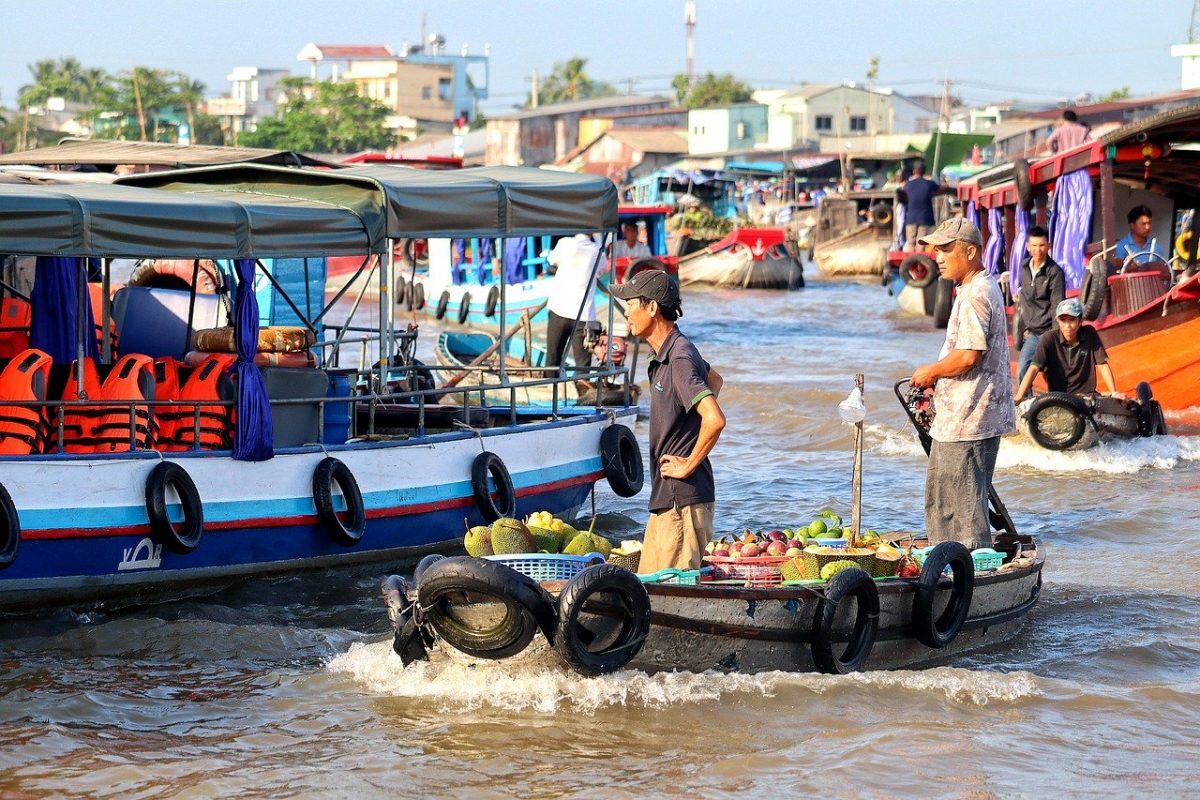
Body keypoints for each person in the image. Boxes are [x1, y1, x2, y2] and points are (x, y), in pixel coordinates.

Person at [610, 267, 725, 573]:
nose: (626, 312)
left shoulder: (679, 357)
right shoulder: (672, 351)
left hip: (682, 502)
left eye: (631, 304)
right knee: (648, 591)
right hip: (668, 501)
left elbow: (714, 419)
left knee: (670, 600)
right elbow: (715, 379)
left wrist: (688, 462)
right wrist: (686, 421)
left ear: (651, 308)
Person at [911, 217, 1016, 550]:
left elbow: (968, 355)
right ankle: (947, 567)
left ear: (970, 252)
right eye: (935, 249)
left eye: (946, 249)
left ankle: (969, 579)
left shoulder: (975, 295)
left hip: (970, 418)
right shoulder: (978, 288)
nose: (937, 257)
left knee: (964, 507)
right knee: (944, 500)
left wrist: (932, 372)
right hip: (961, 417)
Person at [1014, 298, 1119, 403]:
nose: (1067, 326)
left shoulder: (1089, 333)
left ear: (1080, 321)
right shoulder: (1049, 338)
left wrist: (1113, 392)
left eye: (1072, 320)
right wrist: (1018, 397)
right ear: (1057, 321)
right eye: (1063, 320)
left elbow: (1102, 364)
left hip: (1087, 396)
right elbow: (1034, 368)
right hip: (1059, 398)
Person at [1014, 225, 1066, 389]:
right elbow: (1024, 299)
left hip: (1049, 332)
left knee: (1054, 373)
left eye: (1042, 245)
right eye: (1034, 245)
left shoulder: (1055, 272)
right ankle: (1024, 408)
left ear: (1048, 246)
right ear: (1028, 247)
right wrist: (1024, 328)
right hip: (1033, 333)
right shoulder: (1023, 267)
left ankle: (1059, 403)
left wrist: (1056, 337)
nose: (1038, 249)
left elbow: (1057, 305)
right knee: (1023, 369)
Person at [545, 233, 603, 375]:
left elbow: (551, 259)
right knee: (583, 366)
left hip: (559, 309)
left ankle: (550, 386)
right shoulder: (596, 250)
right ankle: (583, 391)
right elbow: (603, 269)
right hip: (583, 314)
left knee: (553, 358)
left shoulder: (565, 243)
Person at [900, 163, 939, 251]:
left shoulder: (907, 185)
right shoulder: (929, 184)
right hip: (925, 218)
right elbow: (940, 189)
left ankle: (909, 263)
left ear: (914, 171)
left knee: (910, 243)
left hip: (910, 219)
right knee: (921, 243)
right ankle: (920, 263)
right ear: (924, 171)